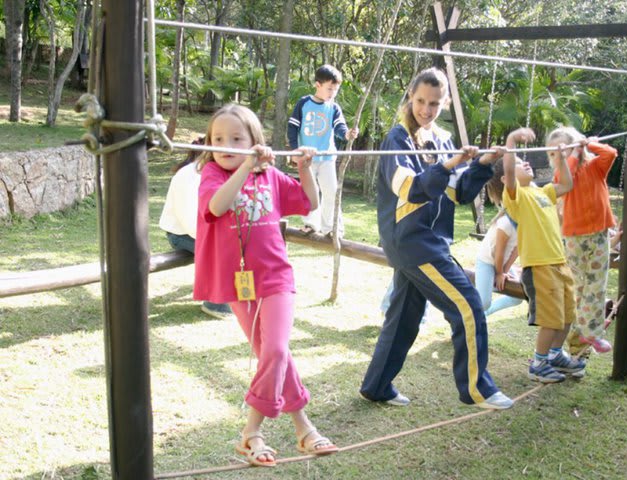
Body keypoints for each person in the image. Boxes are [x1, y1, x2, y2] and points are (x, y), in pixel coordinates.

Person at [359, 67, 513, 410]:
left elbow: (457, 192)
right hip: (411, 241)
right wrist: (448, 165)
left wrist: (483, 165)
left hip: (431, 240)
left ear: (443, 104)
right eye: (420, 101)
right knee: (469, 306)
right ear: (410, 98)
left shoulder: (442, 139)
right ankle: (478, 389)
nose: (425, 109)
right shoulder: (396, 139)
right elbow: (410, 190)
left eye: (433, 103)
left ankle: (376, 386)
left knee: (403, 318)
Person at [194, 104, 337, 467]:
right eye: (218, 139)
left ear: (255, 141)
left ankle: (251, 432)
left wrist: (305, 168)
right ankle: (304, 429)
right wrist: (244, 165)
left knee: (273, 350)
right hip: (240, 284)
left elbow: (310, 202)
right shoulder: (212, 174)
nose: (226, 145)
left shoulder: (270, 175)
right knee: (273, 354)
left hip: (276, 278)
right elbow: (216, 205)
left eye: (237, 139)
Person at [487, 127, 586, 383]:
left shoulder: (543, 192)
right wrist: (510, 141)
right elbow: (508, 172)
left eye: (524, 160)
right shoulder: (515, 197)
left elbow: (566, 183)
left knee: (567, 315)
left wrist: (562, 157)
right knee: (551, 319)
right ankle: (538, 362)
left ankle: (554, 355)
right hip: (540, 266)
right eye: (520, 163)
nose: (526, 163)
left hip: (559, 263)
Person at [546, 127, 618, 354]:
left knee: (597, 285)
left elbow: (611, 154)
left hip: (598, 233)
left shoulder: (595, 166)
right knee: (578, 286)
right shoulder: (562, 176)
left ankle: (592, 334)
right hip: (574, 237)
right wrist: (573, 155)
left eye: (563, 151)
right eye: (554, 154)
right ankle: (576, 333)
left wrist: (590, 144)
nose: (559, 157)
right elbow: (566, 175)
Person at [158, 137, 232, 319]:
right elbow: (190, 220)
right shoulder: (189, 175)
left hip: (202, 232)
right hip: (181, 234)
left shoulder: (211, 173)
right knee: (221, 252)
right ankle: (216, 304)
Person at [287, 64, 359, 236]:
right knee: (309, 193)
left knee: (331, 193)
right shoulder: (303, 103)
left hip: (327, 158)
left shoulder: (334, 107)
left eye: (335, 90)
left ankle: (332, 228)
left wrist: (348, 134)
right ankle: (311, 224)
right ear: (317, 85)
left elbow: (340, 127)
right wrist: (295, 150)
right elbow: (292, 127)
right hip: (307, 159)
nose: (332, 93)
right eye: (329, 89)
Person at [474, 209, 523, 316]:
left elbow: (516, 251)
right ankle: (464, 313)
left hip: (502, 263)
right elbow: (498, 253)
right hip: (487, 261)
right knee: (484, 302)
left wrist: (504, 271)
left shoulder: (526, 224)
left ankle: (486, 313)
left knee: (517, 298)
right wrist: (499, 273)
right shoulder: (505, 223)